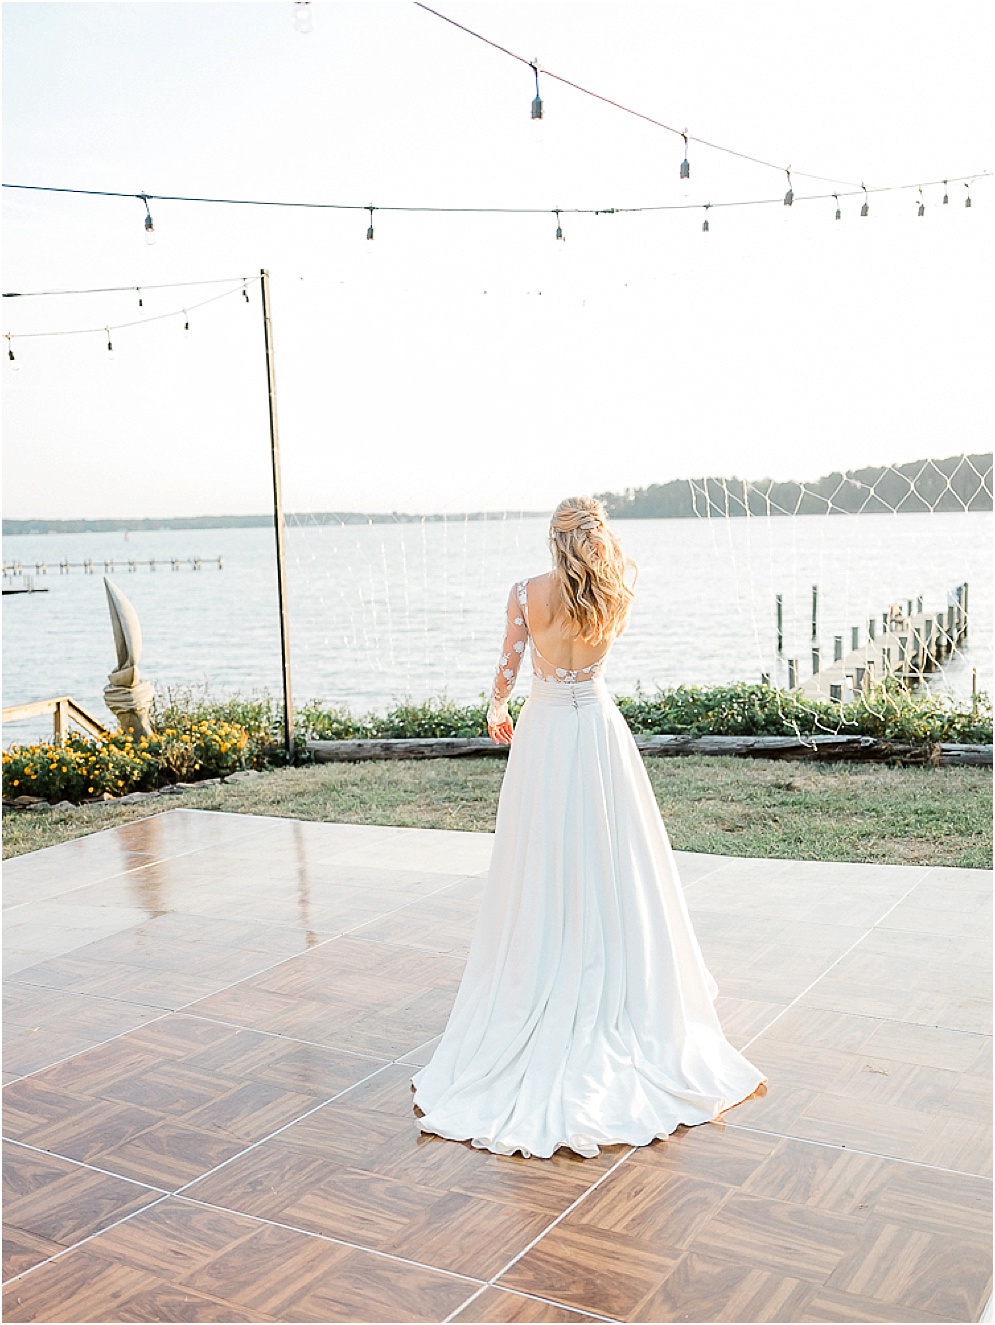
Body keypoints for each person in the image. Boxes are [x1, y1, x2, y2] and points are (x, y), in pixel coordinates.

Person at [411, 496, 764, 1159]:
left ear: (551, 538)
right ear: (597, 538)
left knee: (541, 857)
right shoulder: (616, 590)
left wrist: (495, 707)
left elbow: (508, 670)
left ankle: (543, 960)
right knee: (610, 857)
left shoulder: (524, 593)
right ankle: (615, 973)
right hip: (598, 729)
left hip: (545, 731)